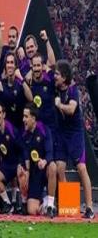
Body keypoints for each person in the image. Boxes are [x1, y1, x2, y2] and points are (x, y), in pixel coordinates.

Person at [53, 60, 94, 219]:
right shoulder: (55, 88)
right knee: (59, 168)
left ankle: (89, 207)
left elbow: (71, 109)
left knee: (81, 168)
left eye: (57, 74)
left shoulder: (73, 90)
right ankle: (69, 204)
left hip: (75, 134)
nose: (55, 76)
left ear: (64, 77)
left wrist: (59, 105)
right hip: (61, 133)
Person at [18, 103, 57, 217]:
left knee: (53, 166)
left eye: (26, 116)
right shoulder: (24, 135)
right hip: (35, 174)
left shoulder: (44, 130)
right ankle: (43, 203)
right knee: (32, 210)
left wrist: (45, 161)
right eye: (23, 116)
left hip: (45, 170)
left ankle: (50, 205)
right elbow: (24, 156)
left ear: (33, 118)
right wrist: (25, 170)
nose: (23, 119)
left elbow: (50, 152)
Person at [0, 103, 22, 214]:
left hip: (17, 164)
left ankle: (20, 203)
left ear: (4, 115)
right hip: (5, 166)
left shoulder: (12, 130)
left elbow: (22, 149)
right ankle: (8, 204)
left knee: (21, 175)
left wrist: (21, 164)